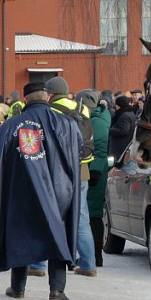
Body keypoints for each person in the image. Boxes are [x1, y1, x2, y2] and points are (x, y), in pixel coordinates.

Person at [0, 81, 81, 300]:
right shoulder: (67, 124)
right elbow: (79, 152)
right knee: (59, 233)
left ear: (25, 99)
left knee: (21, 234)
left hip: (22, 191)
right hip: (61, 191)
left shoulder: (12, 125)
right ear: (48, 97)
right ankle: (57, 290)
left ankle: (18, 287)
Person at [45, 76, 97, 276]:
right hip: (82, 169)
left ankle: (39, 265)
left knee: (50, 216)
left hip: (58, 171)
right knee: (82, 218)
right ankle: (88, 265)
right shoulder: (82, 108)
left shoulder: (51, 111)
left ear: (50, 94)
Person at [82, 89, 111, 268]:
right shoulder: (99, 117)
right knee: (92, 215)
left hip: (95, 174)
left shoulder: (96, 121)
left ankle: (94, 256)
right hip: (95, 171)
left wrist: (94, 172)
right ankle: (93, 256)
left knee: (93, 215)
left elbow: (99, 150)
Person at [109, 95, 138, 162]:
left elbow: (124, 130)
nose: (115, 106)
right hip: (125, 144)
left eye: (116, 104)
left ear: (119, 105)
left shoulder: (124, 115)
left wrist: (109, 130)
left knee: (116, 164)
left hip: (121, 145)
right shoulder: (130, 113)